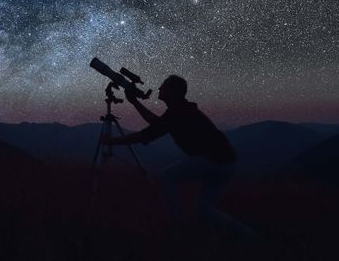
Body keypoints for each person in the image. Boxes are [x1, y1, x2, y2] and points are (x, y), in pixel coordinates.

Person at [101, 75, 254, 238]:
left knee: (165, 178)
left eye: (164, 86)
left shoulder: (178, 112)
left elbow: (147, 134)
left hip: (213, 160)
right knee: (203, 210)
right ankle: (249, 237)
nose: (159, 88)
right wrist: (134, 102)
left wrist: (112, 142)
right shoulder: (180, 110)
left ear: (173, 92)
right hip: (226, 162)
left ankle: (181, 228)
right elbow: (157, 123)